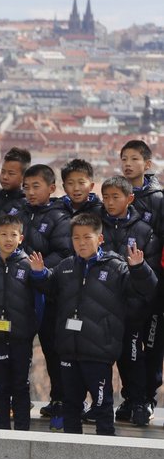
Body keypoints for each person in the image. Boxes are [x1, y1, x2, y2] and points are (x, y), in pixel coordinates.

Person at [29, 213, 157, 436]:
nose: (81, 243)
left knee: (102, 406)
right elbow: (50, 288)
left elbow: (146, 289)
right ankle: (71, 454)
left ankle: (104, 458)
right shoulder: (66, 266)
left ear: (100, 239)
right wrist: (40, 274)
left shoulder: (116, 267)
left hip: (99, 351)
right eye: (76, 238)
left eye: (86, 237)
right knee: (71, 405)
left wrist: (139, 268)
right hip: (69, 350)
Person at [98, 176, 161, 426]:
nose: (110, 202)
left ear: (130, 198)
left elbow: (152, 272)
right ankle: (105, 403)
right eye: (106, 197)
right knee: (101, 357)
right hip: (101, 306)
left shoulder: (144, 231)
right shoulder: (96, 226)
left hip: (132, 309)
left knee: (132, 357)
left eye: (116, 197)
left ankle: (138, 401)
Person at [19, 163, 73, 430]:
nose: (30, 192)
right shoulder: (18, 212)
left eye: (36, 187)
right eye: (26, 187)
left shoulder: (60, 217)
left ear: (51, 189)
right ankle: (17, 399)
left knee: (53, 351)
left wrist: (34, 268)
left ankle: (60, 401)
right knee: (18, 349)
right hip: (20, 294)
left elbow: (64, 253)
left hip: (49, 295)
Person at [0, 215, 39, 431]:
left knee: (21, 386)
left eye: (13, 234)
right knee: (0, 387)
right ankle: (1, 432)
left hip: (21, 337)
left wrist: (31, 329)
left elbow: (39, 300)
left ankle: (22, 432)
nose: (8, 239)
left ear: (20, 238)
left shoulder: (29, 265)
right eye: (3, 234)